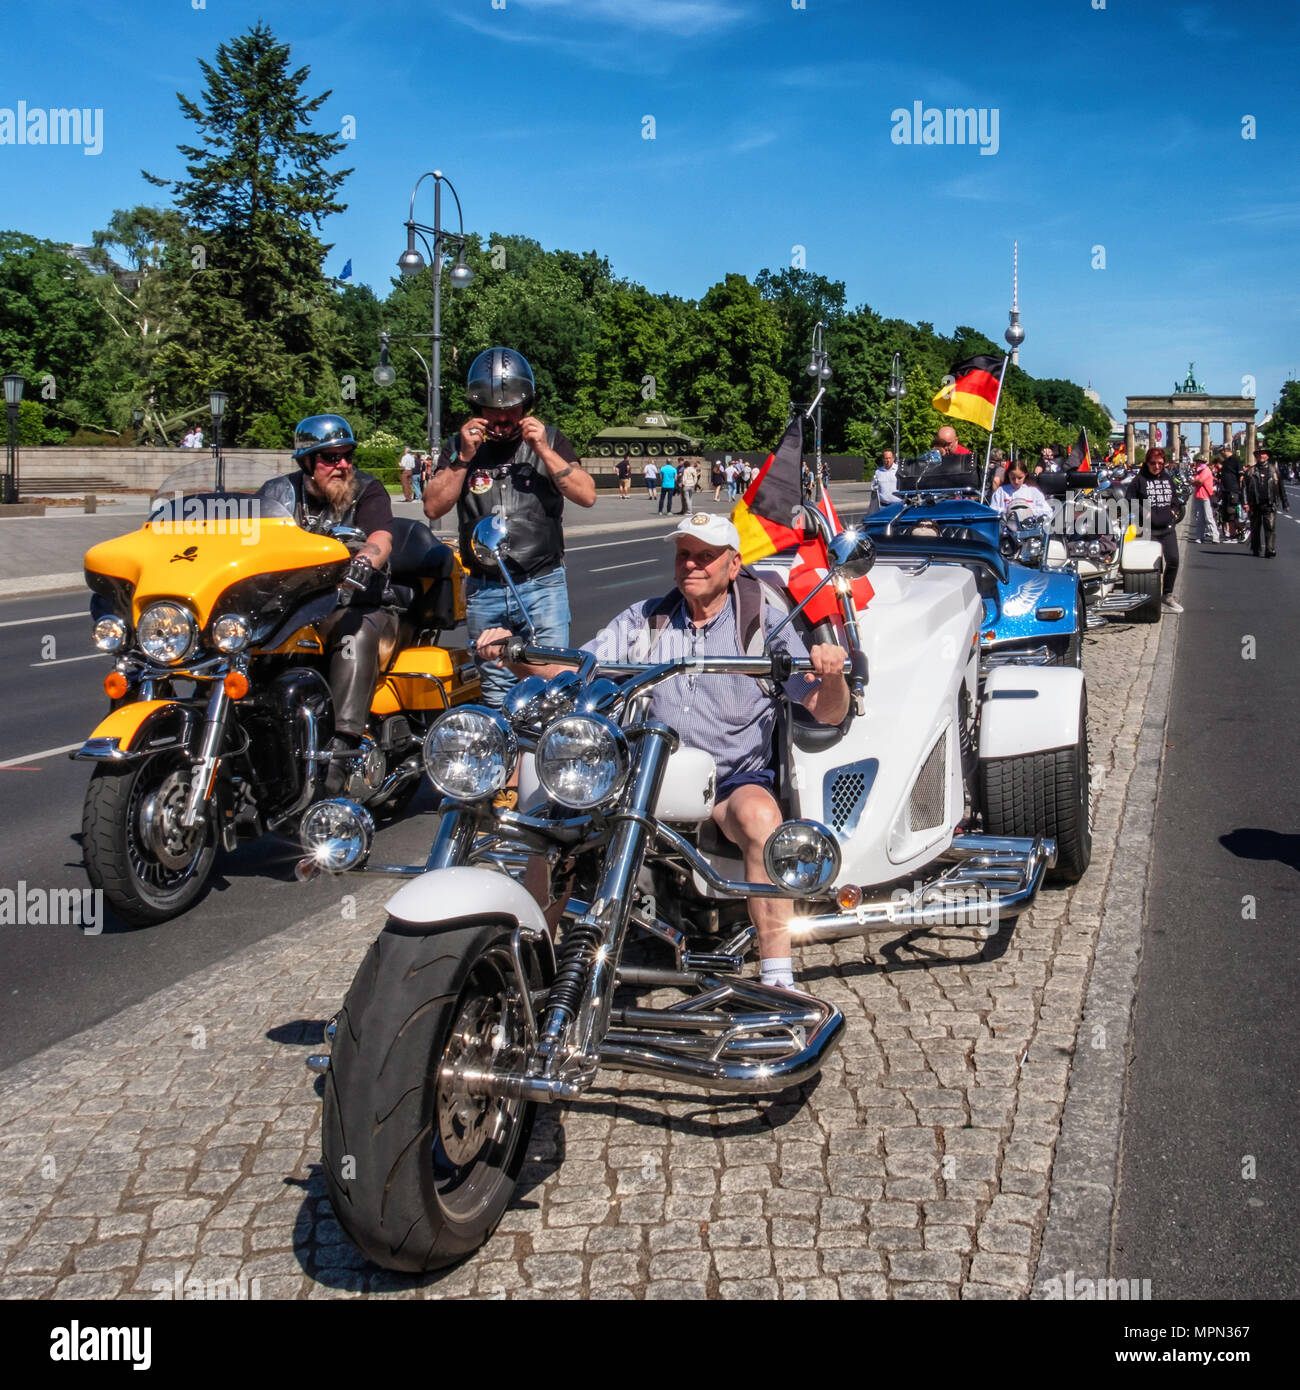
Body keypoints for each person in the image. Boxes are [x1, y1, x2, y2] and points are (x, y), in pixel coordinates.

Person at [476, 512, 850, 988]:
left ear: (733, 565)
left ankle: (778, 974)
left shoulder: (764, 624)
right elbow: (573, 672)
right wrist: (515, 652)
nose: (692, 565)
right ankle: (534, 967)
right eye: (684, 555)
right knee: (558, 818)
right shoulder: (645, 619)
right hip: (648, 775)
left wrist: (831, 672)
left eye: (706, 556)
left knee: (761, 820)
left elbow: (826, 709)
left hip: (729, 780)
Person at [422, 346, 595, 710]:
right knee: (498, 695)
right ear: (477, 408)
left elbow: (587, 494)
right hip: (485, 589)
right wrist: (463, 458)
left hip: (541, 583)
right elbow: (433, 505)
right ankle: (509, 765)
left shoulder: (551, 439)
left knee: (551, 688)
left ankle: (546, 763)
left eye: (511, 410)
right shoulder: (459, 447)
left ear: (526, 404)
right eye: (493, 412)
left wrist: (544, 449)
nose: (502, 420)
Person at [257, 414, 396, 792]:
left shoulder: (367, 489)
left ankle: (342, 748)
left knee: (354, 636)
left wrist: (366, 559)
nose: (343, 465)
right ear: (307, 461)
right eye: (330, 458)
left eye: (347, 455)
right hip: (290, 610)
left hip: (356, 602)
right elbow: (249, 541)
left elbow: (380, 536)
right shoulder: (275, 495)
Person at [1126, 447, 1183, 612]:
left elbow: (1175, 498)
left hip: (1167, 528)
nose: (1157, 466)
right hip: (1148, 530)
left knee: (1173, 560)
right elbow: (1129, 500)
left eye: (1160, 463)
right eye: (1153, 463)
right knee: (1153, 566)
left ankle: (1167, 594)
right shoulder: (1139, 480)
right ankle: (1151, 599)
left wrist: (1173, 510)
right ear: (1147, 463)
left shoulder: (1168, 479)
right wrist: (1142, 511)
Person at [1243, 448, 1290, 558]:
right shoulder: (1250, 471)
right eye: (1259, 454)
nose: (1261, 456)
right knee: (1255, 527)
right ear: (1256, 457)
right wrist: (1245, 503)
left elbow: (1281, 488)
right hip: (1254, 504)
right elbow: (1244, 488)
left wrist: (1285, 502)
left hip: (1269, 503)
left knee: (1270, 527)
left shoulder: (1274, 470)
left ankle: (1270, 549)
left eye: (1263, 454)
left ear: (1267, 456)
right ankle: (1255, 548)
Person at [1191, 455, 1219, 544]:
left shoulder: (1206, 470)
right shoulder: (1198, 471)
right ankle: (1199, 537)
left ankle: (1215, 536)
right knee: (1199, 518)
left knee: (1209, 517)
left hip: (1206, 496)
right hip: (1198, 495)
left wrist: (1194, 482)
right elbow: (1195, 482)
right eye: (1197, 461)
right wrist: (1195, 482)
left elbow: (1199, 481)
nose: (1197, 463)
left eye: (1199, 461)